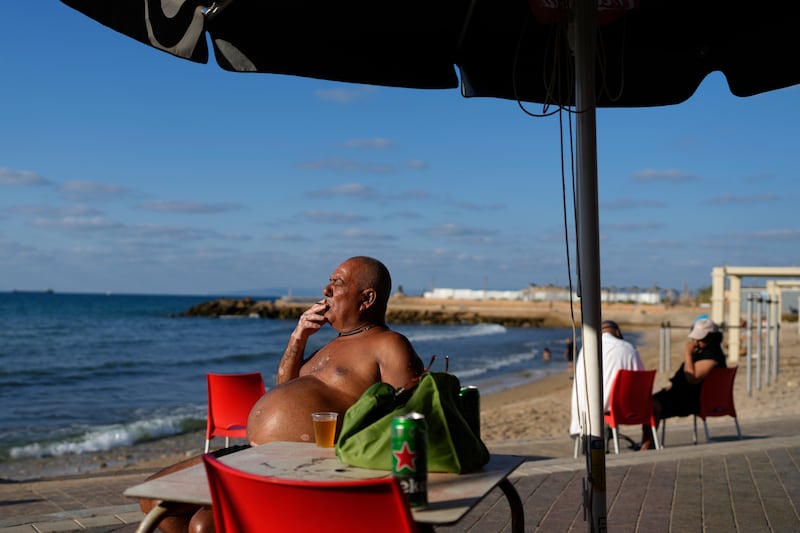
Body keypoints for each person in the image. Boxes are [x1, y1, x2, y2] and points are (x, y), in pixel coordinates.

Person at [141, 256, 425, 532]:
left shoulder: (389, 345)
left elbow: (410, 422)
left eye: (336, 283)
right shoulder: (328, 346)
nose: (326, 290)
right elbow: (284, 388)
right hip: (255, 455)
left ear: (366, 299)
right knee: (153, 498)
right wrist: (298, 337)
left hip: (306, 467)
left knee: (204, 525)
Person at [640, 318, 726, 450]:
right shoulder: (703, 351)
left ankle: (646, 446)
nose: (695, 342)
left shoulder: (712, 355)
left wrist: (687, 353)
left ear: (711, 337)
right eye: (695, 338)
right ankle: (648, 443)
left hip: (689, 401)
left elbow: (692, 377)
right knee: (649, 402)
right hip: (682, 395)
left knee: (652, 405)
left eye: (699, 339)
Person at [569, 320, 644, 437]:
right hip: (630, 407)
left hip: (590, 409)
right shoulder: (629, 348)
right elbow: (641, 377)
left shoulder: (588, 347)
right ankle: (647, 443)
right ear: (618, 332)